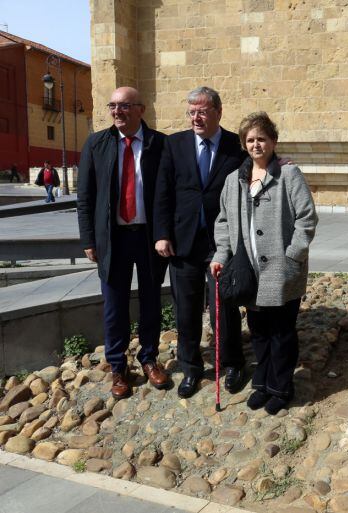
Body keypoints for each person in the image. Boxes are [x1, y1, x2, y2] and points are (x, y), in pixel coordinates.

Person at [210, 112, 317, 415]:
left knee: (281, 331)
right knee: (258, 330)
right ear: (244, 145)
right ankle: (263, 384)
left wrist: (292, 257)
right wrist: (221, 256)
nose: (256, 144)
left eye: (262, 138)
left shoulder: (288, 174)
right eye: (250, 140)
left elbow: (306, 219)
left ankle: (281, 387)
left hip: (282, 271)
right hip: (250, 272)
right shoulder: (234, 180)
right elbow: (223, 221)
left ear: (273, 141)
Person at [154, 86, 249, 399]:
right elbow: (163, 192)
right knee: (187, 309)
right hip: (183, 241)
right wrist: (162, 234)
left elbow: (258, 171)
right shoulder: (174, 144)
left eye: (203, 111)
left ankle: (233, 363)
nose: (196, 117)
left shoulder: (237, 145)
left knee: (225, 304)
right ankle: (191, 368)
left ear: (218, 112)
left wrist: (281, 164)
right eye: (191, 111)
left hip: (223, 241)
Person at [76, 86, 170, 400]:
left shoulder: (160, 144)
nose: (117, 111)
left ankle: (149, 358)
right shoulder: (96, 144)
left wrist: (164, 233)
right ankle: (118, 366)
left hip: (147, 237)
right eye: (113, 105)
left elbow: (168, 194)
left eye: (125, 106)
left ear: (140, 109)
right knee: (114, 306)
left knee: (150, 301)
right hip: (111, 239)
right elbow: (85, 197)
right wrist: (89, 238)